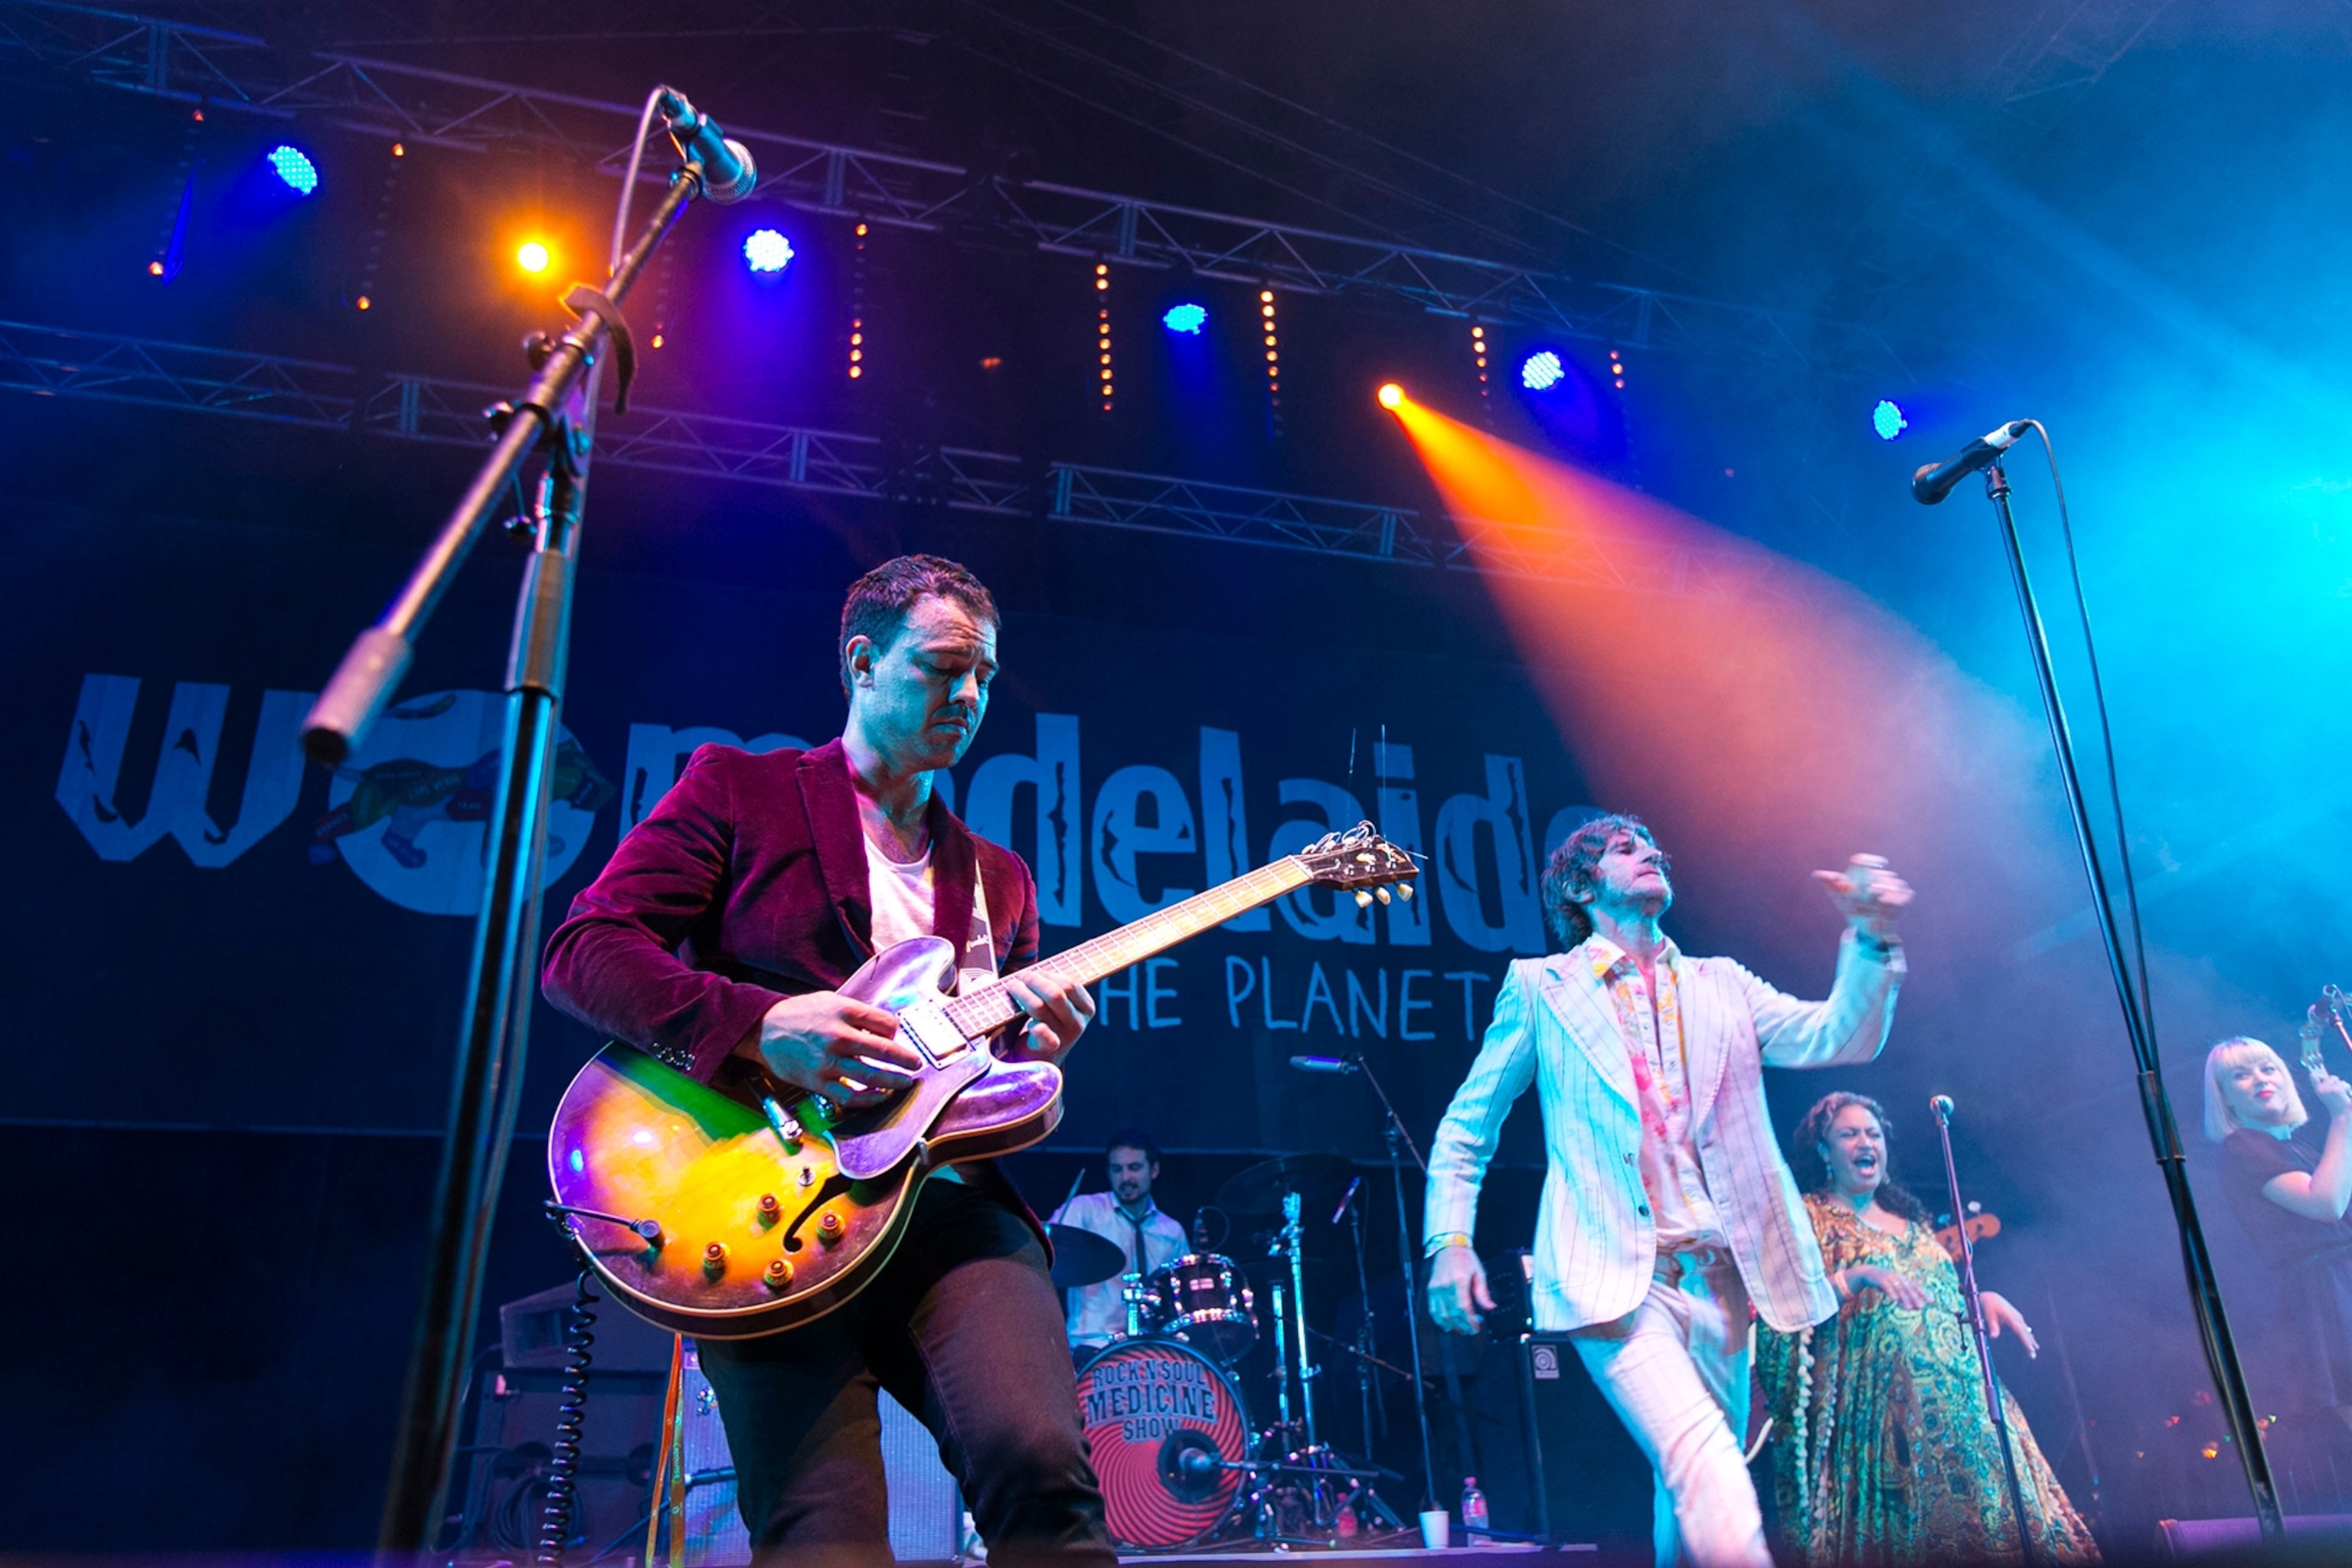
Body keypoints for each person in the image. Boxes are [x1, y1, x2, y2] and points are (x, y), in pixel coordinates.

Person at [541, 554, 1111, 1566]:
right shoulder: (739, 789)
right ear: (862, 663)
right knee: (823, 1531)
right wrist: (759, 1028)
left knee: (1041, 1471)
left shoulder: (1002, 881)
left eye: (984, 673)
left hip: (944, 1214)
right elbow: (583, 949)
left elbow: (980, 1079)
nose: (971, 695)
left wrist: (1039, 1044)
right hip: (763, 1207)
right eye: (943, 667)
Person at [1424, 814, 1909, 1568]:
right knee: (1708, 1466)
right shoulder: (1542, 987)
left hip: (1720, 1282)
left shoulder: (1723, 983)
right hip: (1618, 1281)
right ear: (1583, 886)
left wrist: (1873, 941)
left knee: (1685, 1495)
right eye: (1626, 848)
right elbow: (1465, 1127)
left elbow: (1836, 1036)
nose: (1651, 852)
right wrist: (1449, 1241)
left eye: (1654, 845)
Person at [1755, 1092, 2099, 1564]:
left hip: (1966, 1412)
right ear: (1823, 1151)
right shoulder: (1806, 1218)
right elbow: (1783, 1308)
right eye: (1849, 1133)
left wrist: (1979, 1299)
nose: (1865, 1142)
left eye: (1873, 1133)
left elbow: (1936, 1300)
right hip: (1879, 1427)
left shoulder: (1913, 1224)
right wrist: (1858, 1276)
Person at [2202, 1031, 2352, 1429]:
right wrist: (2342, 1117)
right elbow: (2325, 1204)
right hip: (2330, 1294)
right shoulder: (2244, 1148)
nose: (2261, 1079)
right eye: (2242, 1075)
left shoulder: (2297, 1148)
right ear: (2225, 1097)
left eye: (2269, 1069)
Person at [1049, 1130, 1190, 1360]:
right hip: (1093, 1344)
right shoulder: (1084, 1210)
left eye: (1134, 1168)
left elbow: (1179, 1298)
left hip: (1152, 1348)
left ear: (1153, 1170)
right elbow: (1050, 1248)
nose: (1125, 1178)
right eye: (1117, 1169)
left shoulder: (1172, 1231)